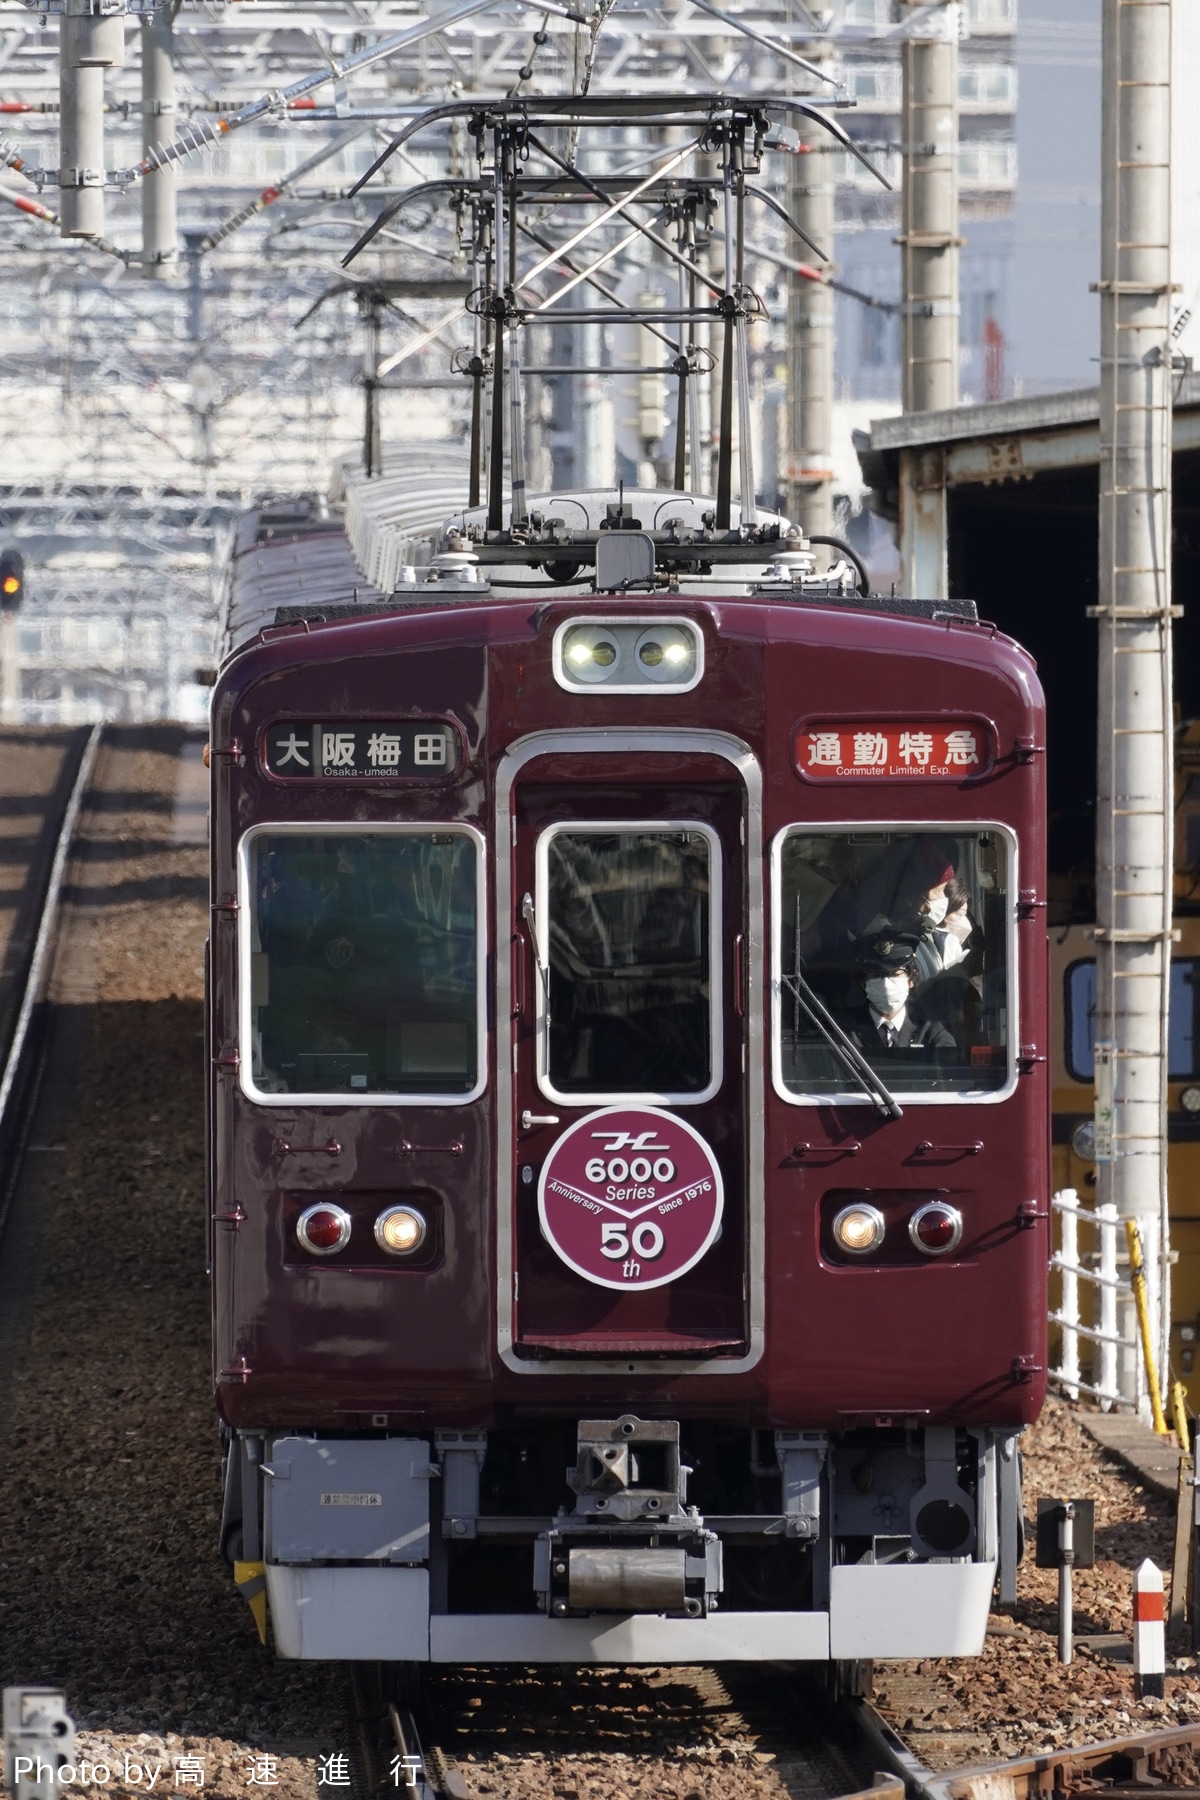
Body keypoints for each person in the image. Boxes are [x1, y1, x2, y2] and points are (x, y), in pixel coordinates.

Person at [846, 933, 956, 1053]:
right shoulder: (844, 1028)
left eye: (895, 974)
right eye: (876, 975)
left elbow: (947, 1068)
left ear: (911, 980)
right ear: (863, 983)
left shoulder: (931, 1028)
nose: (886, 984)